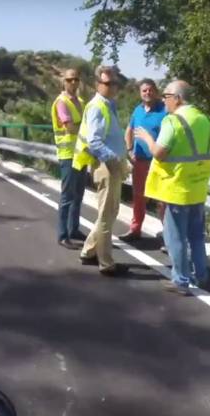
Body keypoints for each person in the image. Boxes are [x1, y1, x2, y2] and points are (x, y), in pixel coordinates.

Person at [135, 80, 210, 295]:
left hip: (177, 188)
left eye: (167, 96)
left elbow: (159, 152)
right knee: (197, 236)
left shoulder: (173, 121)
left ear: (177, 98)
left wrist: (147, 139)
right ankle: (201, 275)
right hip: (198, 187)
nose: (164, 100)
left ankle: (180, 280)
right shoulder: (205, 119)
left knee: (176, 237)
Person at [73, 65, 130, 276]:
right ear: (98, 84)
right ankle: (106, 263)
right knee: (107, 216)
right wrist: (113, 159)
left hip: (112, 165)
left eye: (115, 82)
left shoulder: (108, 104)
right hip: (107, 167)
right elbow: (94, 141)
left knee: (109, 212)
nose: (113, 86)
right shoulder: (98, 106)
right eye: (108, 83)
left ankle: (88, 251)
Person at [118, 79, 167, 243]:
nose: (147, 93)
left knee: (162, 200)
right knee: (138, 196)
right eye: (144, 90)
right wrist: (130, 149)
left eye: (150, 90)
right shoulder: (137, 110)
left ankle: (167, 235)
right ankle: (135, 229)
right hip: (139, 161)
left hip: (159, 162)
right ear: (140, 93)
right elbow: (129, 131)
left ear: (156, 91)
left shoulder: (164, 111)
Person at [51, 69, 87, 249]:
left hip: (80, 154)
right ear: (63, 82)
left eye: (76, 79)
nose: (73, 82)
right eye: (69, 80)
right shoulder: (61, 102)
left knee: (79, 195)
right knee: (67, 196)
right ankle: (63, 235)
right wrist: (87, 128)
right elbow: (70, 128)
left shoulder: (80, 102)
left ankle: (74, 229)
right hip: (67, 156)